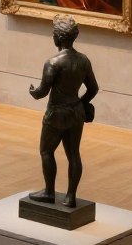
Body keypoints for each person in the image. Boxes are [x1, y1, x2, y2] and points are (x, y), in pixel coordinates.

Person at [29, 14, 99, 208]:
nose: (53, 37)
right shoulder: (83, 60)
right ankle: (70, 197)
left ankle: (49, 192)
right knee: (74, 154)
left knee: (46, 151)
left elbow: (42, 92)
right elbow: (93, 88)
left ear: (58, 38)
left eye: (54, 34)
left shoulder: (53, 62)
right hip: (76, 112)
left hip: (56, 114)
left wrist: (33, 92)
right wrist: (81, 103)